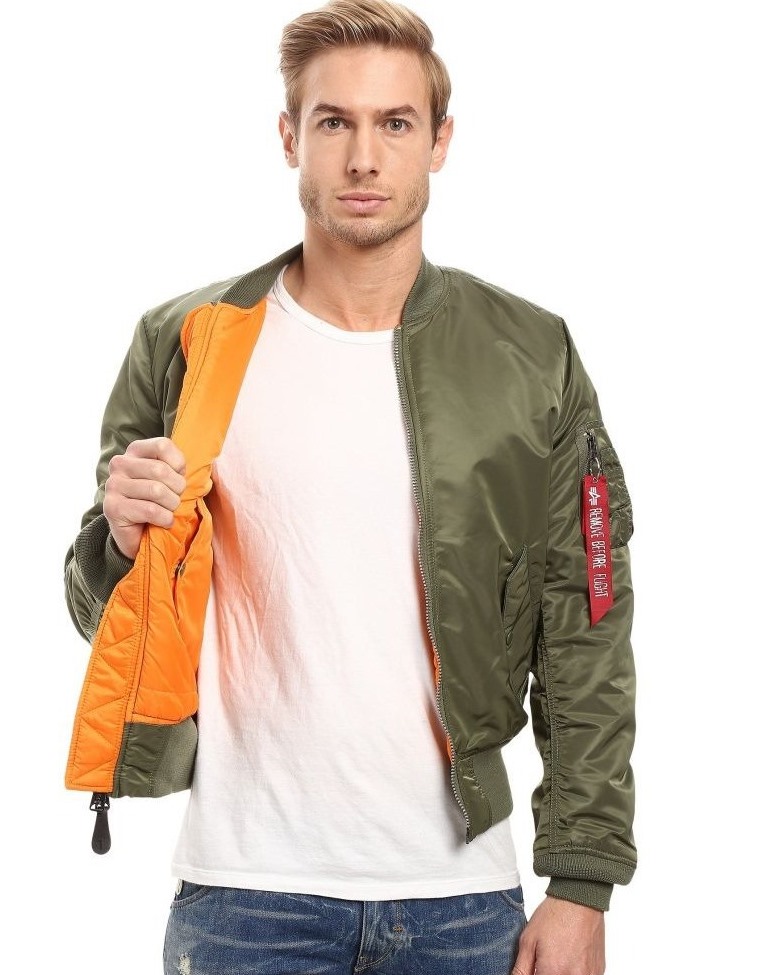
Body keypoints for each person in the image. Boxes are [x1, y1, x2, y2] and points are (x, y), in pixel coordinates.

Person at [63, 1, 636, 972]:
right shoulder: (190, 341)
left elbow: (586, 618)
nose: (363, 158)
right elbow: (100, 615)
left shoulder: (528, 354)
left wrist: (581, 880)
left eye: (394, 123)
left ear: (438, 141)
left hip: (461, 903)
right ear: (290, 136)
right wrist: (118, 539)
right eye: (334, 122)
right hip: (243, 899)